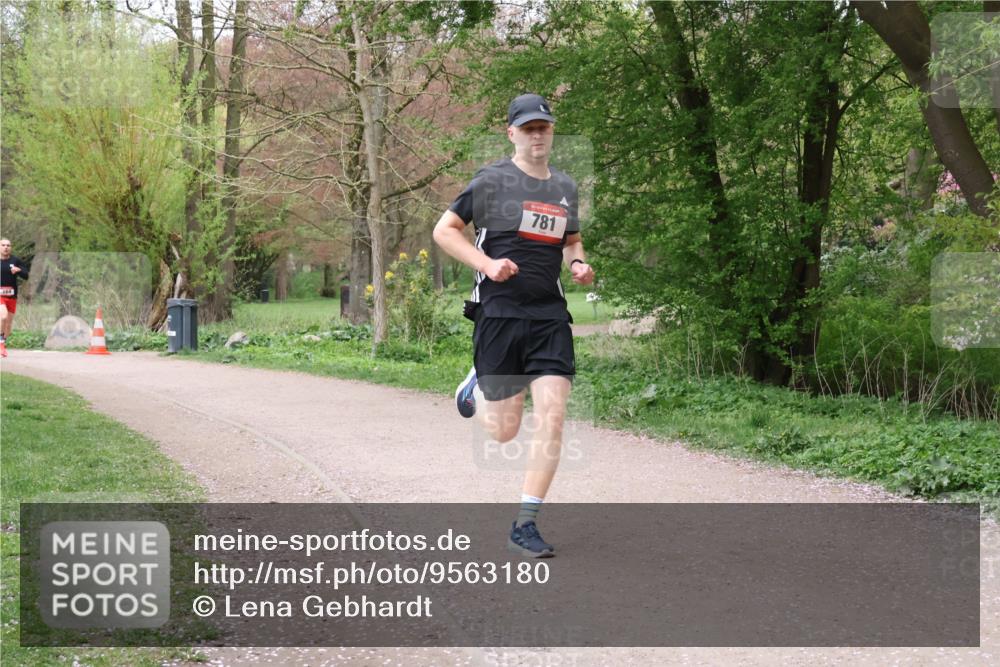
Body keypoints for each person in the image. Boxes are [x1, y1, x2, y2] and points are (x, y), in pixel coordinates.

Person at [433, 93, 595, 558]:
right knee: (503, 431)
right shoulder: (491, 180)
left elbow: (573, 240)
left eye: (543, 127)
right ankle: (474, 390)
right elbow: (445, 230)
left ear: (551, 131)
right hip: (499, 313)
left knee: (553, 416)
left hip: (549, 315)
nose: (537, 134)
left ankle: (525, 523)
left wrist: (579, 263)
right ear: (512, 134)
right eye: (528, 128)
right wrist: (486, 263)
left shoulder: (564, 186)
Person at [0, 238, 29, 358]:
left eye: (8, 245)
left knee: (9, 324)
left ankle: (3, 344)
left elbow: (26, 275)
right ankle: (1, 345)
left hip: (12, 295)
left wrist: (19, 271)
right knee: (3, 316)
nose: (6, 247)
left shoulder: (15, 260)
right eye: (3, 245)